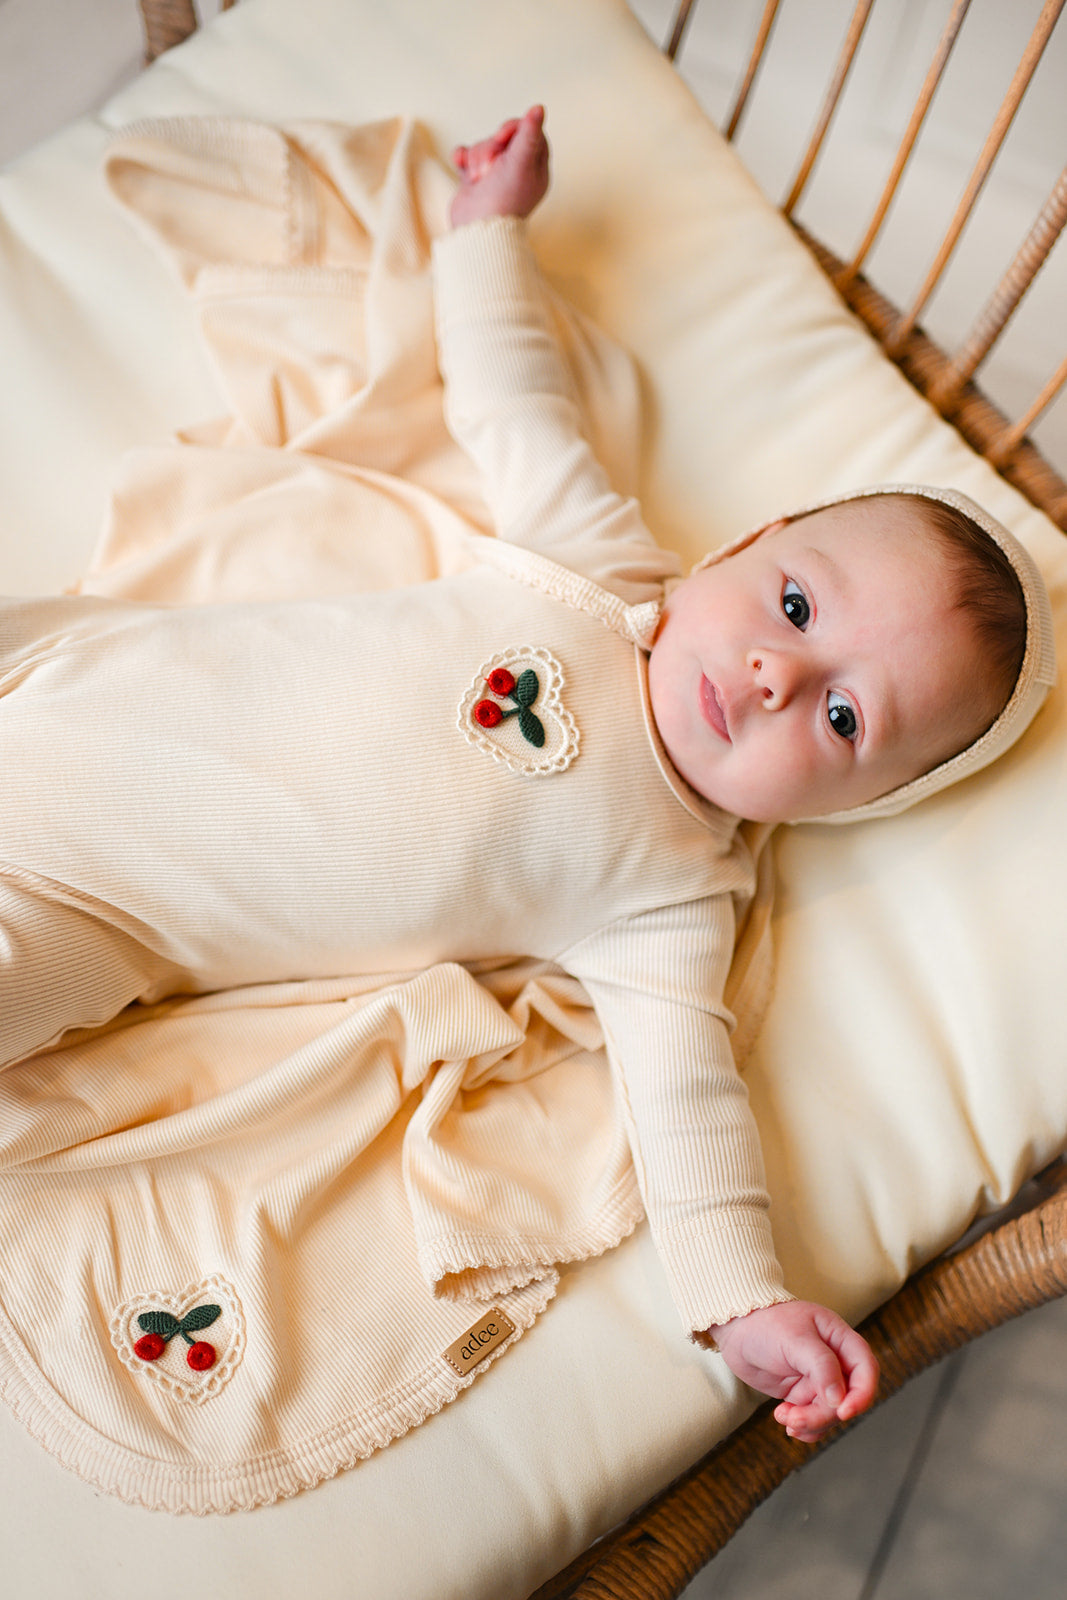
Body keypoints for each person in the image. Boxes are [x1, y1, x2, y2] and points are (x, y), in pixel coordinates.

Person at [0, 107, 1052, 1443]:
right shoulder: (592, 564)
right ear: (747, 544)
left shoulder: (670, 899)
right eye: (794, 605)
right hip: (78, 674)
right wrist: (487, 236)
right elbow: (512, 395)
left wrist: (742, 1303)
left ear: (857, 806)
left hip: (102, 915)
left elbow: (685, 1110)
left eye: (845, 717)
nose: (781, 677)